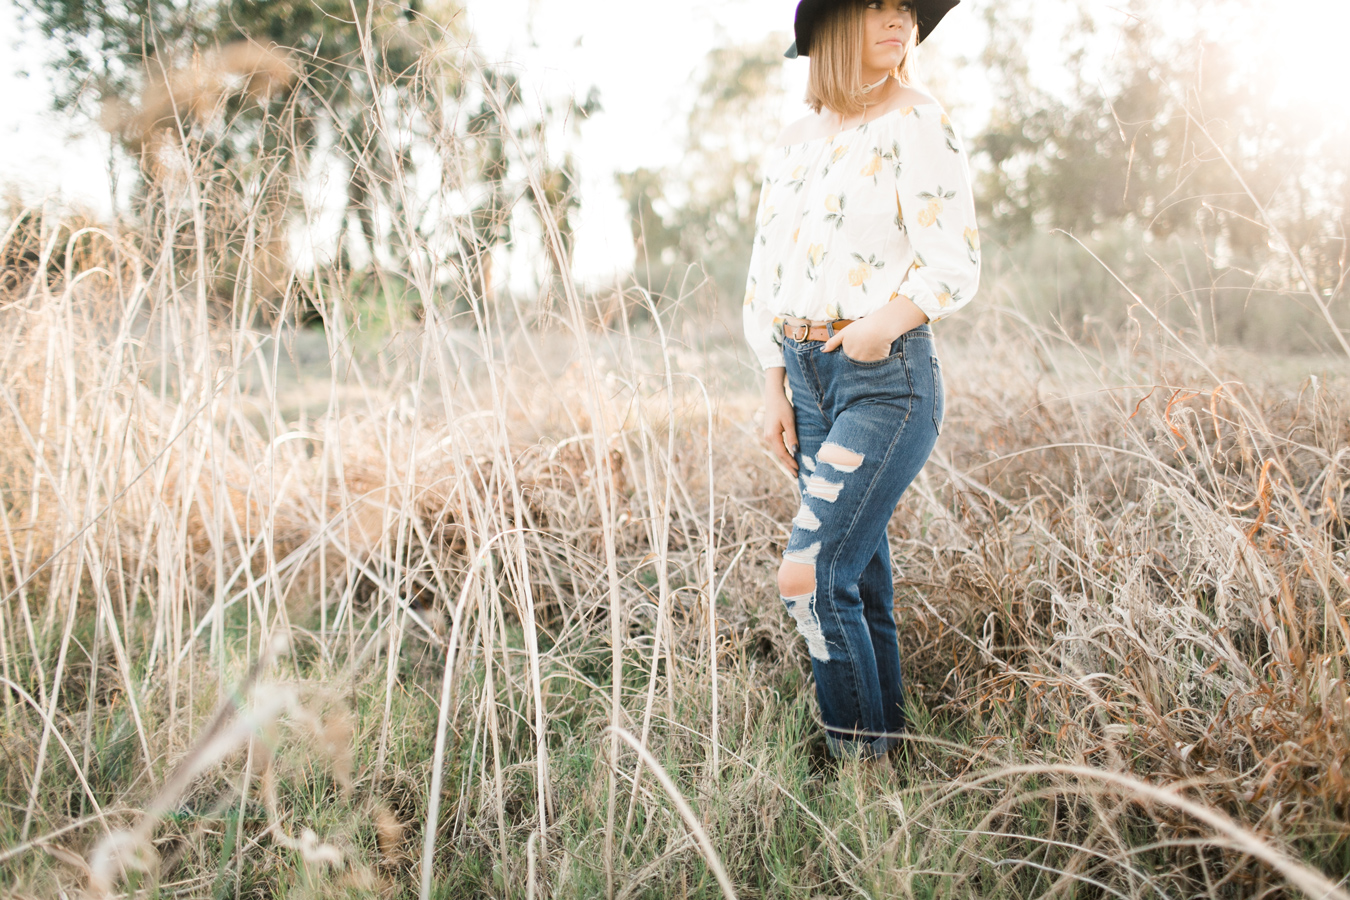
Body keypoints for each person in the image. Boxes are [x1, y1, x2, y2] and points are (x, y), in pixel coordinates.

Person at [743, 0, 978, 761]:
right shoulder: (790, 141)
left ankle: (857, 770)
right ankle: (884, 770)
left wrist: (881, 323)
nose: (898, 18)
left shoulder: (919, 119)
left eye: (906, 8)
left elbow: (954, 262)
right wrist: (774, 383)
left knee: (808, 577)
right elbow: (765, 269)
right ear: (832, 25)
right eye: (877, 5)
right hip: (805, 380)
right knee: (859, 586)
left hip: (884, 379)